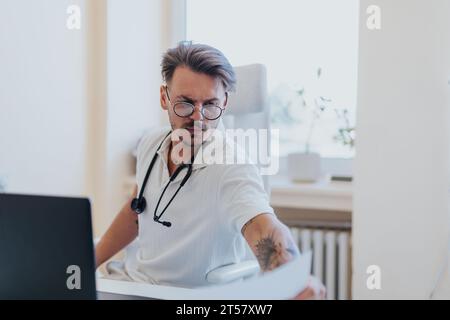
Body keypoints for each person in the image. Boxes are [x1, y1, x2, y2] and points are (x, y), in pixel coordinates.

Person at [95, 42, 325, 299]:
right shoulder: (151, 143)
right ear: (164, 98)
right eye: (185, 103)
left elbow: (262, 227)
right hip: (131, 284)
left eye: (210, 105)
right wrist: (86, 261)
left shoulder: (231, 165)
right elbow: (136, 211)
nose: (199, 118)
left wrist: (291, 277)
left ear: (224, 102)